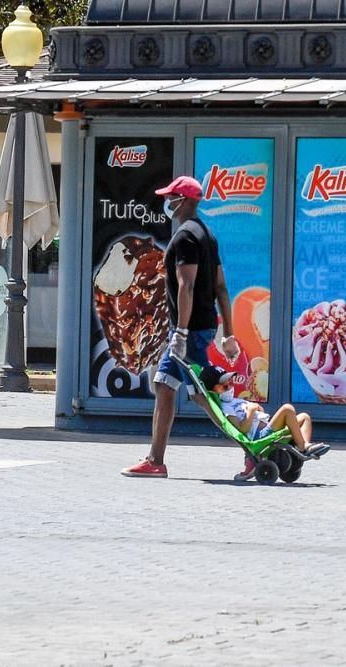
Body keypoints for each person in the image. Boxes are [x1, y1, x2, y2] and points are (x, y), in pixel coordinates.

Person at [121, 176, 239, 478]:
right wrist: (228, 334)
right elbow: (222, 289)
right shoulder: (207, 235)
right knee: (166, 386)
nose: (166, 202)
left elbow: (186, 286)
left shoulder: (186, 237)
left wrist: (181, 334)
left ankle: (249, 447)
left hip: (189, 330)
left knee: (203, 393)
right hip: (200, 326)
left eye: (170, 197)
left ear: (184, 200)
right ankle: (155, 460)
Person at [198, 365, 331, 481]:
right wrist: (250, 411)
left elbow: (257, 412)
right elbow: (242, 430)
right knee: (287, 409)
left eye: (231, 383)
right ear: (213, 391)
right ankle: (303, 448)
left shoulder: (234, 401)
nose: (230, 387)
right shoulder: (226, 408)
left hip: (266, 427)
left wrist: (255, 408)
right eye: (225, 386)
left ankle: (305, 445)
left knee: (304, 417)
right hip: (260, 435)